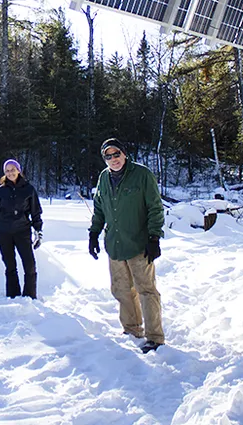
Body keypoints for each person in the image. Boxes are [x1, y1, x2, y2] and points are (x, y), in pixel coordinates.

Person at [88, 138, 165, 353]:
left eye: (116, 154)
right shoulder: (104, 178)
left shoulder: (142, 175)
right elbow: (100, 209)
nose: (113, 159)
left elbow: (155, 208)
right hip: (115, 244)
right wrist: (94, 233)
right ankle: (132, 329)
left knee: (146, 291)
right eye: (108, 156)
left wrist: (154, 237)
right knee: (122, 290)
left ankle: (155, 337)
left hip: (140, 244)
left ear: (124, 153)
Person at [0, 159, 43, 299]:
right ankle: (13, 296)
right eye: (7, 170)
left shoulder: (28, 189)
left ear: (19, 170)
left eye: (13, 169)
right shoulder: (1, 191)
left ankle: (30, 296)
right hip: (4, 232)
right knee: (10, 266)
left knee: (29, 264)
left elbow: (36, 212)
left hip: (22, 231)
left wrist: (38, 231)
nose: (10, 172)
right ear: (4, 173)